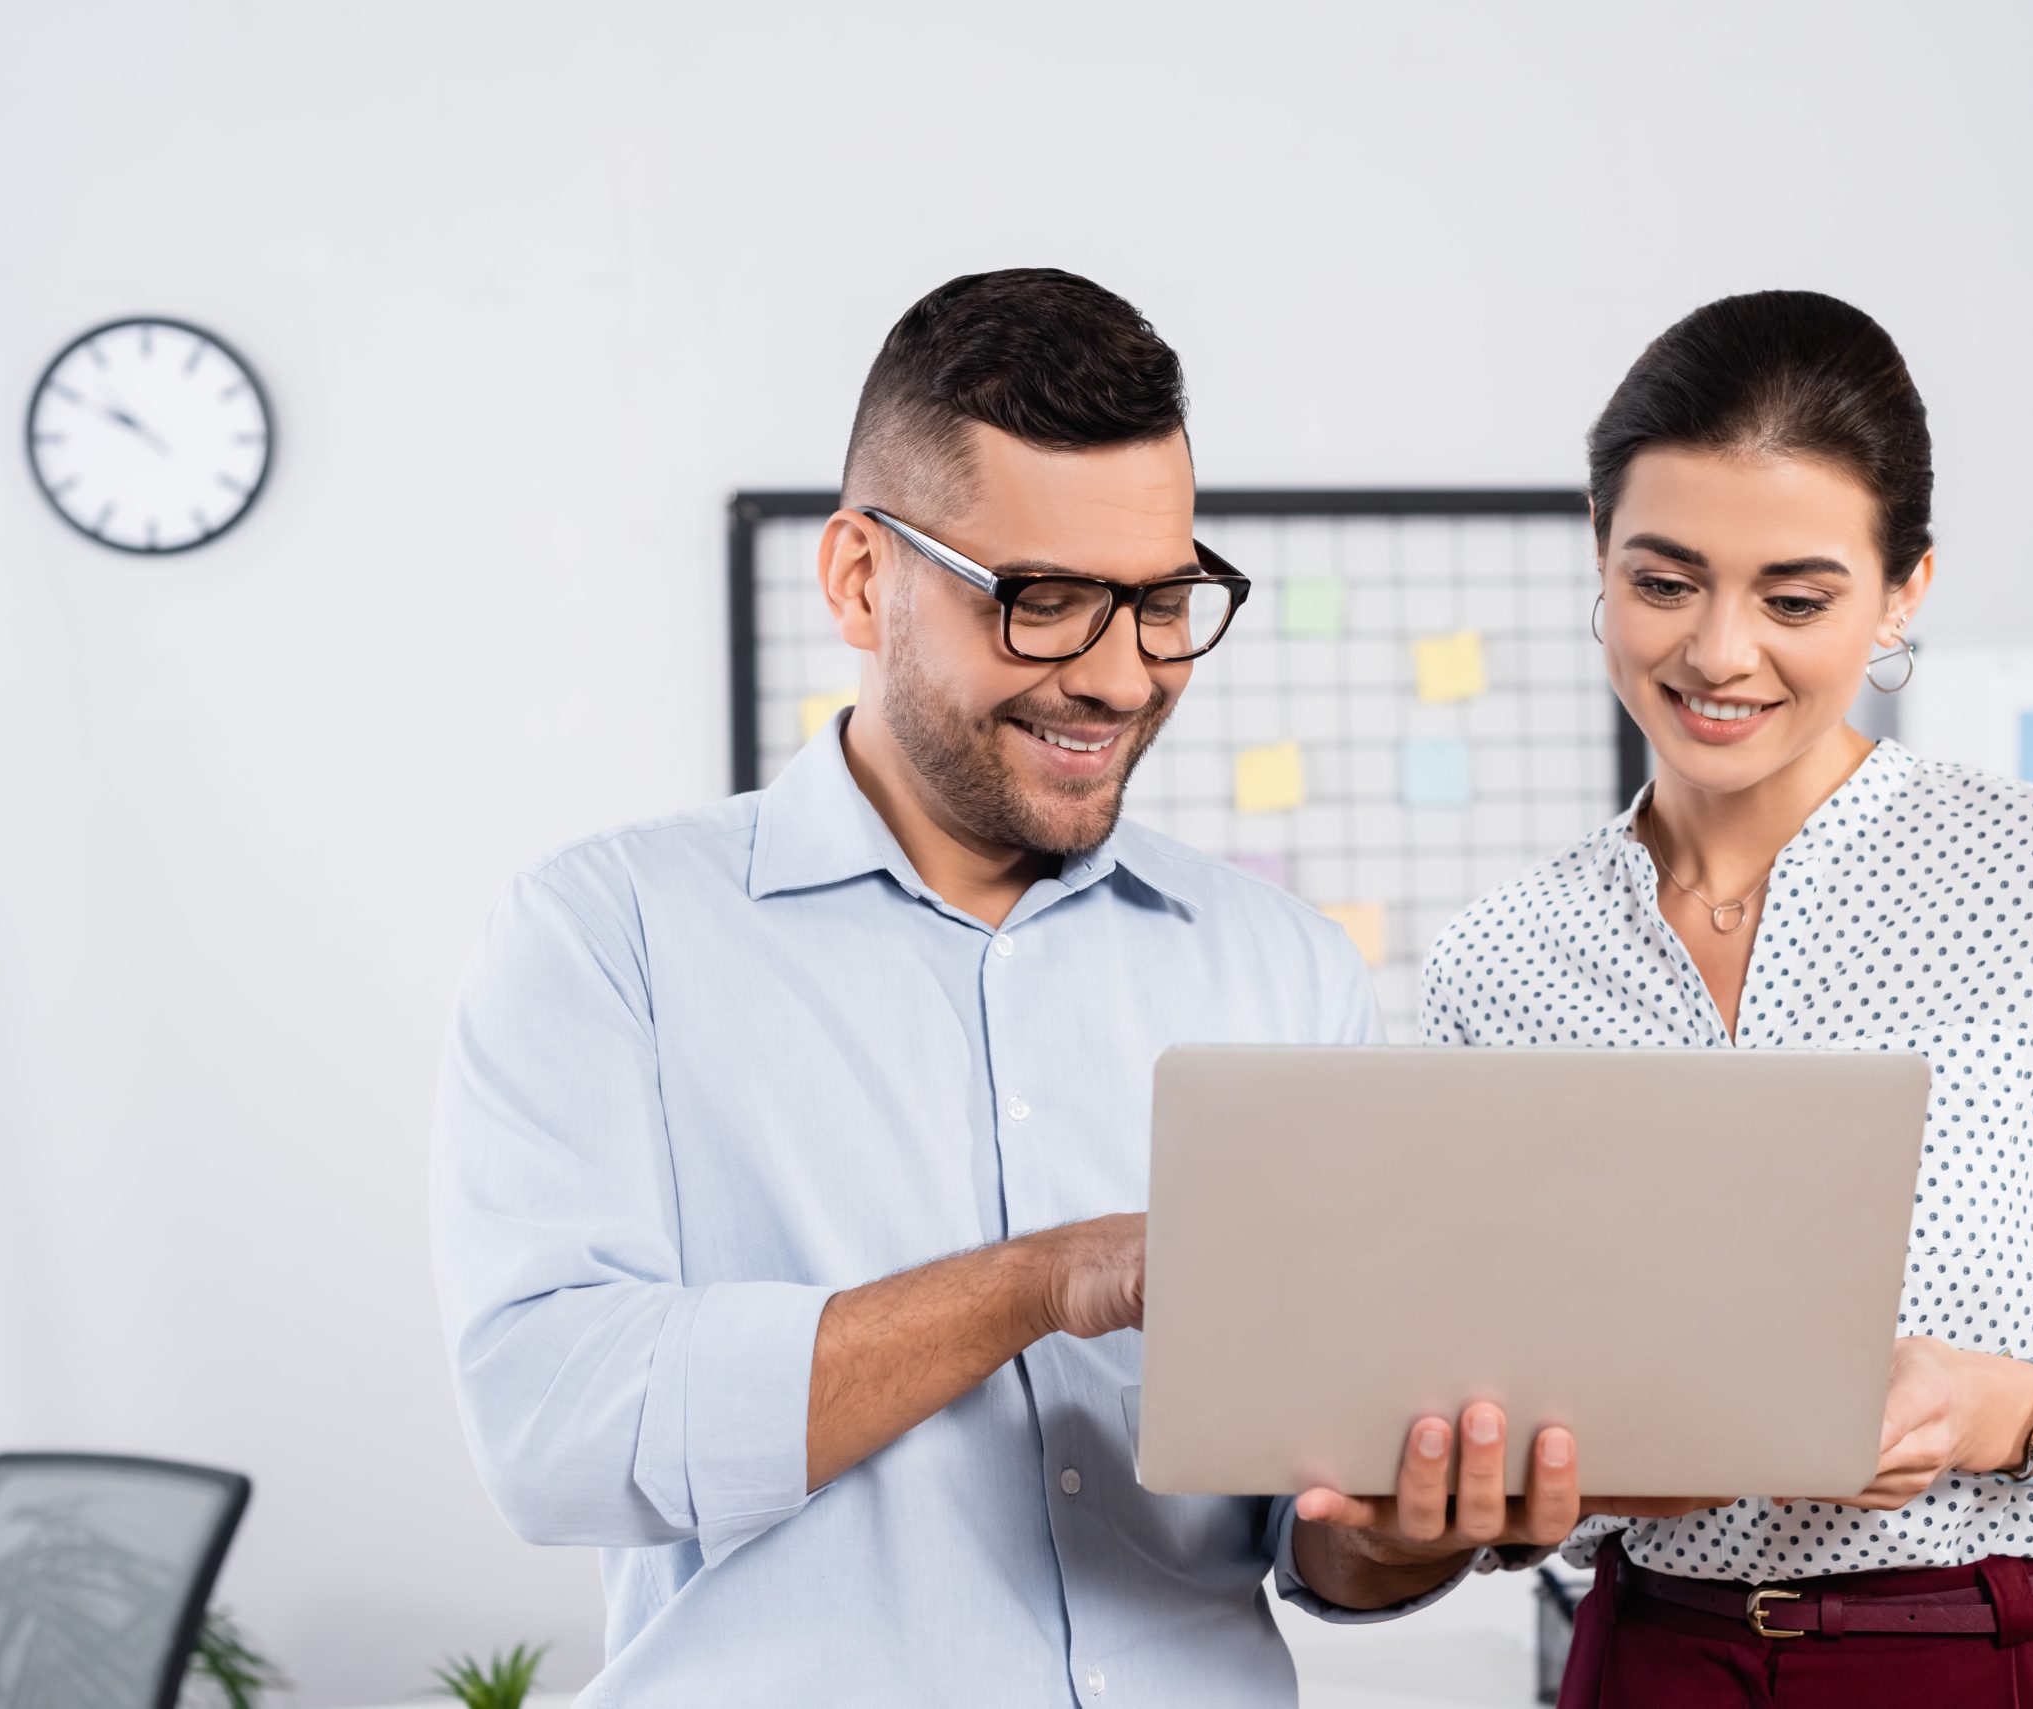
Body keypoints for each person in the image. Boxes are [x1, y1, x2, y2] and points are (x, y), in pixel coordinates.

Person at [430, 268, 1579, 1708]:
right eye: (1042, 603)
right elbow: (555, 1433)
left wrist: (1403, 1537)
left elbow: (1309, 1543)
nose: (1114, 676)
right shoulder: (607, 938)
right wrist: (1038, 1282)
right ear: (861, 578)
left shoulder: (1279, 963)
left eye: (1162, 604)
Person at [1420, 290, 2033, 1707]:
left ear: (1904, 590)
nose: (1719, 651)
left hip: (2005, 1659)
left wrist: (2008, 1407)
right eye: (1663, 581)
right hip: (1651, 1658)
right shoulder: (1499, 962)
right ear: (1598, 560)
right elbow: (1485, 1390)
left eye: (1795, 597)